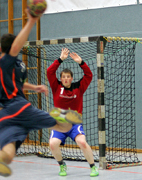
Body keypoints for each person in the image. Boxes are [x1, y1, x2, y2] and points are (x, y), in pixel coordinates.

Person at [0, 11, 82, 177]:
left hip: (6, 116)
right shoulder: (6, 61)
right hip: (20, 108)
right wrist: (31, 21)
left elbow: (18, 85)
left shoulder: (15, 66)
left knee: (7, 157)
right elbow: (15, 47)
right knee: (65, 124)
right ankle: (57, 112)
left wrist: (35, 87)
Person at [47, 48, 99, 177]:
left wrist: (80, 62)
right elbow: (49, 71)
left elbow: (89, 75)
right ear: (61, 79)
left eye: (68, 77)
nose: (65, 79)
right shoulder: (56, 87)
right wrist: (60, 60)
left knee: (81, 142)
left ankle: (93, 167)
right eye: (63, 77)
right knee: (52, 144)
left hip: (75, 123)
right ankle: (62, 165)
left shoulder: (79, 87)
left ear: (71, 78)